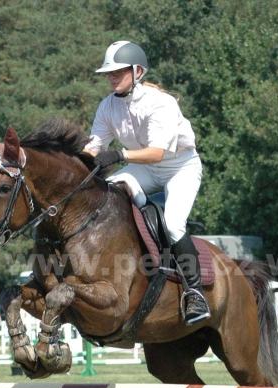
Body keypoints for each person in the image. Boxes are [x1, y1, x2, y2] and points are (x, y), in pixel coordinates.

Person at [84, 40, 209, 325]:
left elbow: (157, 153)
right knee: (109, 194)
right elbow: (94, 146)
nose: (111, 77)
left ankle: (195, 292)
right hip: (145, 169)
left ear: (137, 71)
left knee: (173, 224)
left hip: (180, 168)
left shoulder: (160, 103)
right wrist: (75, 162)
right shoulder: (107, 106)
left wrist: (119, 154)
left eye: (118, 72)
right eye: (109, 73)